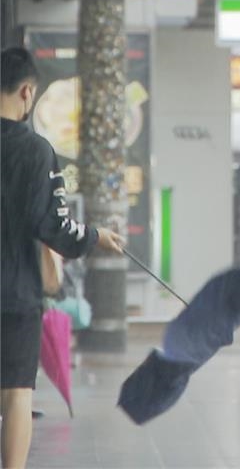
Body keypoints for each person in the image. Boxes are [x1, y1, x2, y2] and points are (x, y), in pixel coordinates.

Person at [1, 47, 124, 468]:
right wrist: (95, 237)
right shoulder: (37, 152)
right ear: (27, 92)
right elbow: (54, 226)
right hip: (16, 296)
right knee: (17, 394)